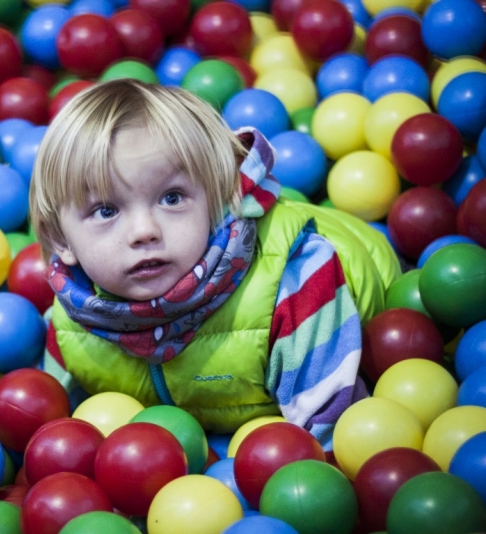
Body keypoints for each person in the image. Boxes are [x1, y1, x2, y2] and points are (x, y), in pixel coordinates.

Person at [29, 79, 400, 448]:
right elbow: (64, 436)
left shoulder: (295, 285)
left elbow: (333, 439)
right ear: (61, 240)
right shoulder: (71, 321)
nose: (144, 231)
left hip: (360, 272)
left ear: (216, 199)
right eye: (106, 210)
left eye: (172, 198)